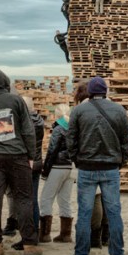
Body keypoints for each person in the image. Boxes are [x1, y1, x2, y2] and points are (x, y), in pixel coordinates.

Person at [0, 69, 41, 255]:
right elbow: (28, 130)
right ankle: (29, 244)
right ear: (6, 83)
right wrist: (31, 154)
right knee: (24, 199)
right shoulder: (16, 100)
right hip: (18, 156)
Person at [66, 76, 128, 255]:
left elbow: (71, 139)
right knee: (113, 212)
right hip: (110, 167)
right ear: (106, 92)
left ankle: (81, 254)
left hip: (87, 167)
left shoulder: (78, 111)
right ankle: (117, 254)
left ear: (89, 92)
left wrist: (77, 160)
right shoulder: (119, 110)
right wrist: (121, 161)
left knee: (84, 213)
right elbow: (127, 140)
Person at [40, 88, 83, 244]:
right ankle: (65, 234)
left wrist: (45, 171)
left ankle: (44, 234)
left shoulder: (58, 128)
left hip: (57, 167)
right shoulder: (74, 126)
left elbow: (51, 151)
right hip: (70, 168)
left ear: (56, 114)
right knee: (64, 200)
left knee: (46, 198)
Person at [12, 97, 45, 251]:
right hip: (37, 163)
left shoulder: (23, 123)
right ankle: (35, 233)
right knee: (33, 200)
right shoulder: (39, 122)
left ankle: (27, 235)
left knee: (23, 201)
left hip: (25, 163)